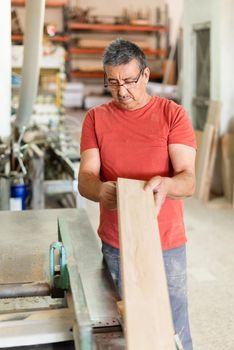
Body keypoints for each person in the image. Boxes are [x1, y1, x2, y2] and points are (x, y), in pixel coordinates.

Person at [78, 38, 196, 350]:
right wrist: (101, 190)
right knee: (124, 328)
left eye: (129, 81)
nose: (122, 91)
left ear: (145, 75)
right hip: (117, 242)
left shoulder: (173, 115)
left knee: (172, 328)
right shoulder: (95, 118)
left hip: (166, 242)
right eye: (113, 82)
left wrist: (166, 185)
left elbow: (188, 180)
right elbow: (86, 177)